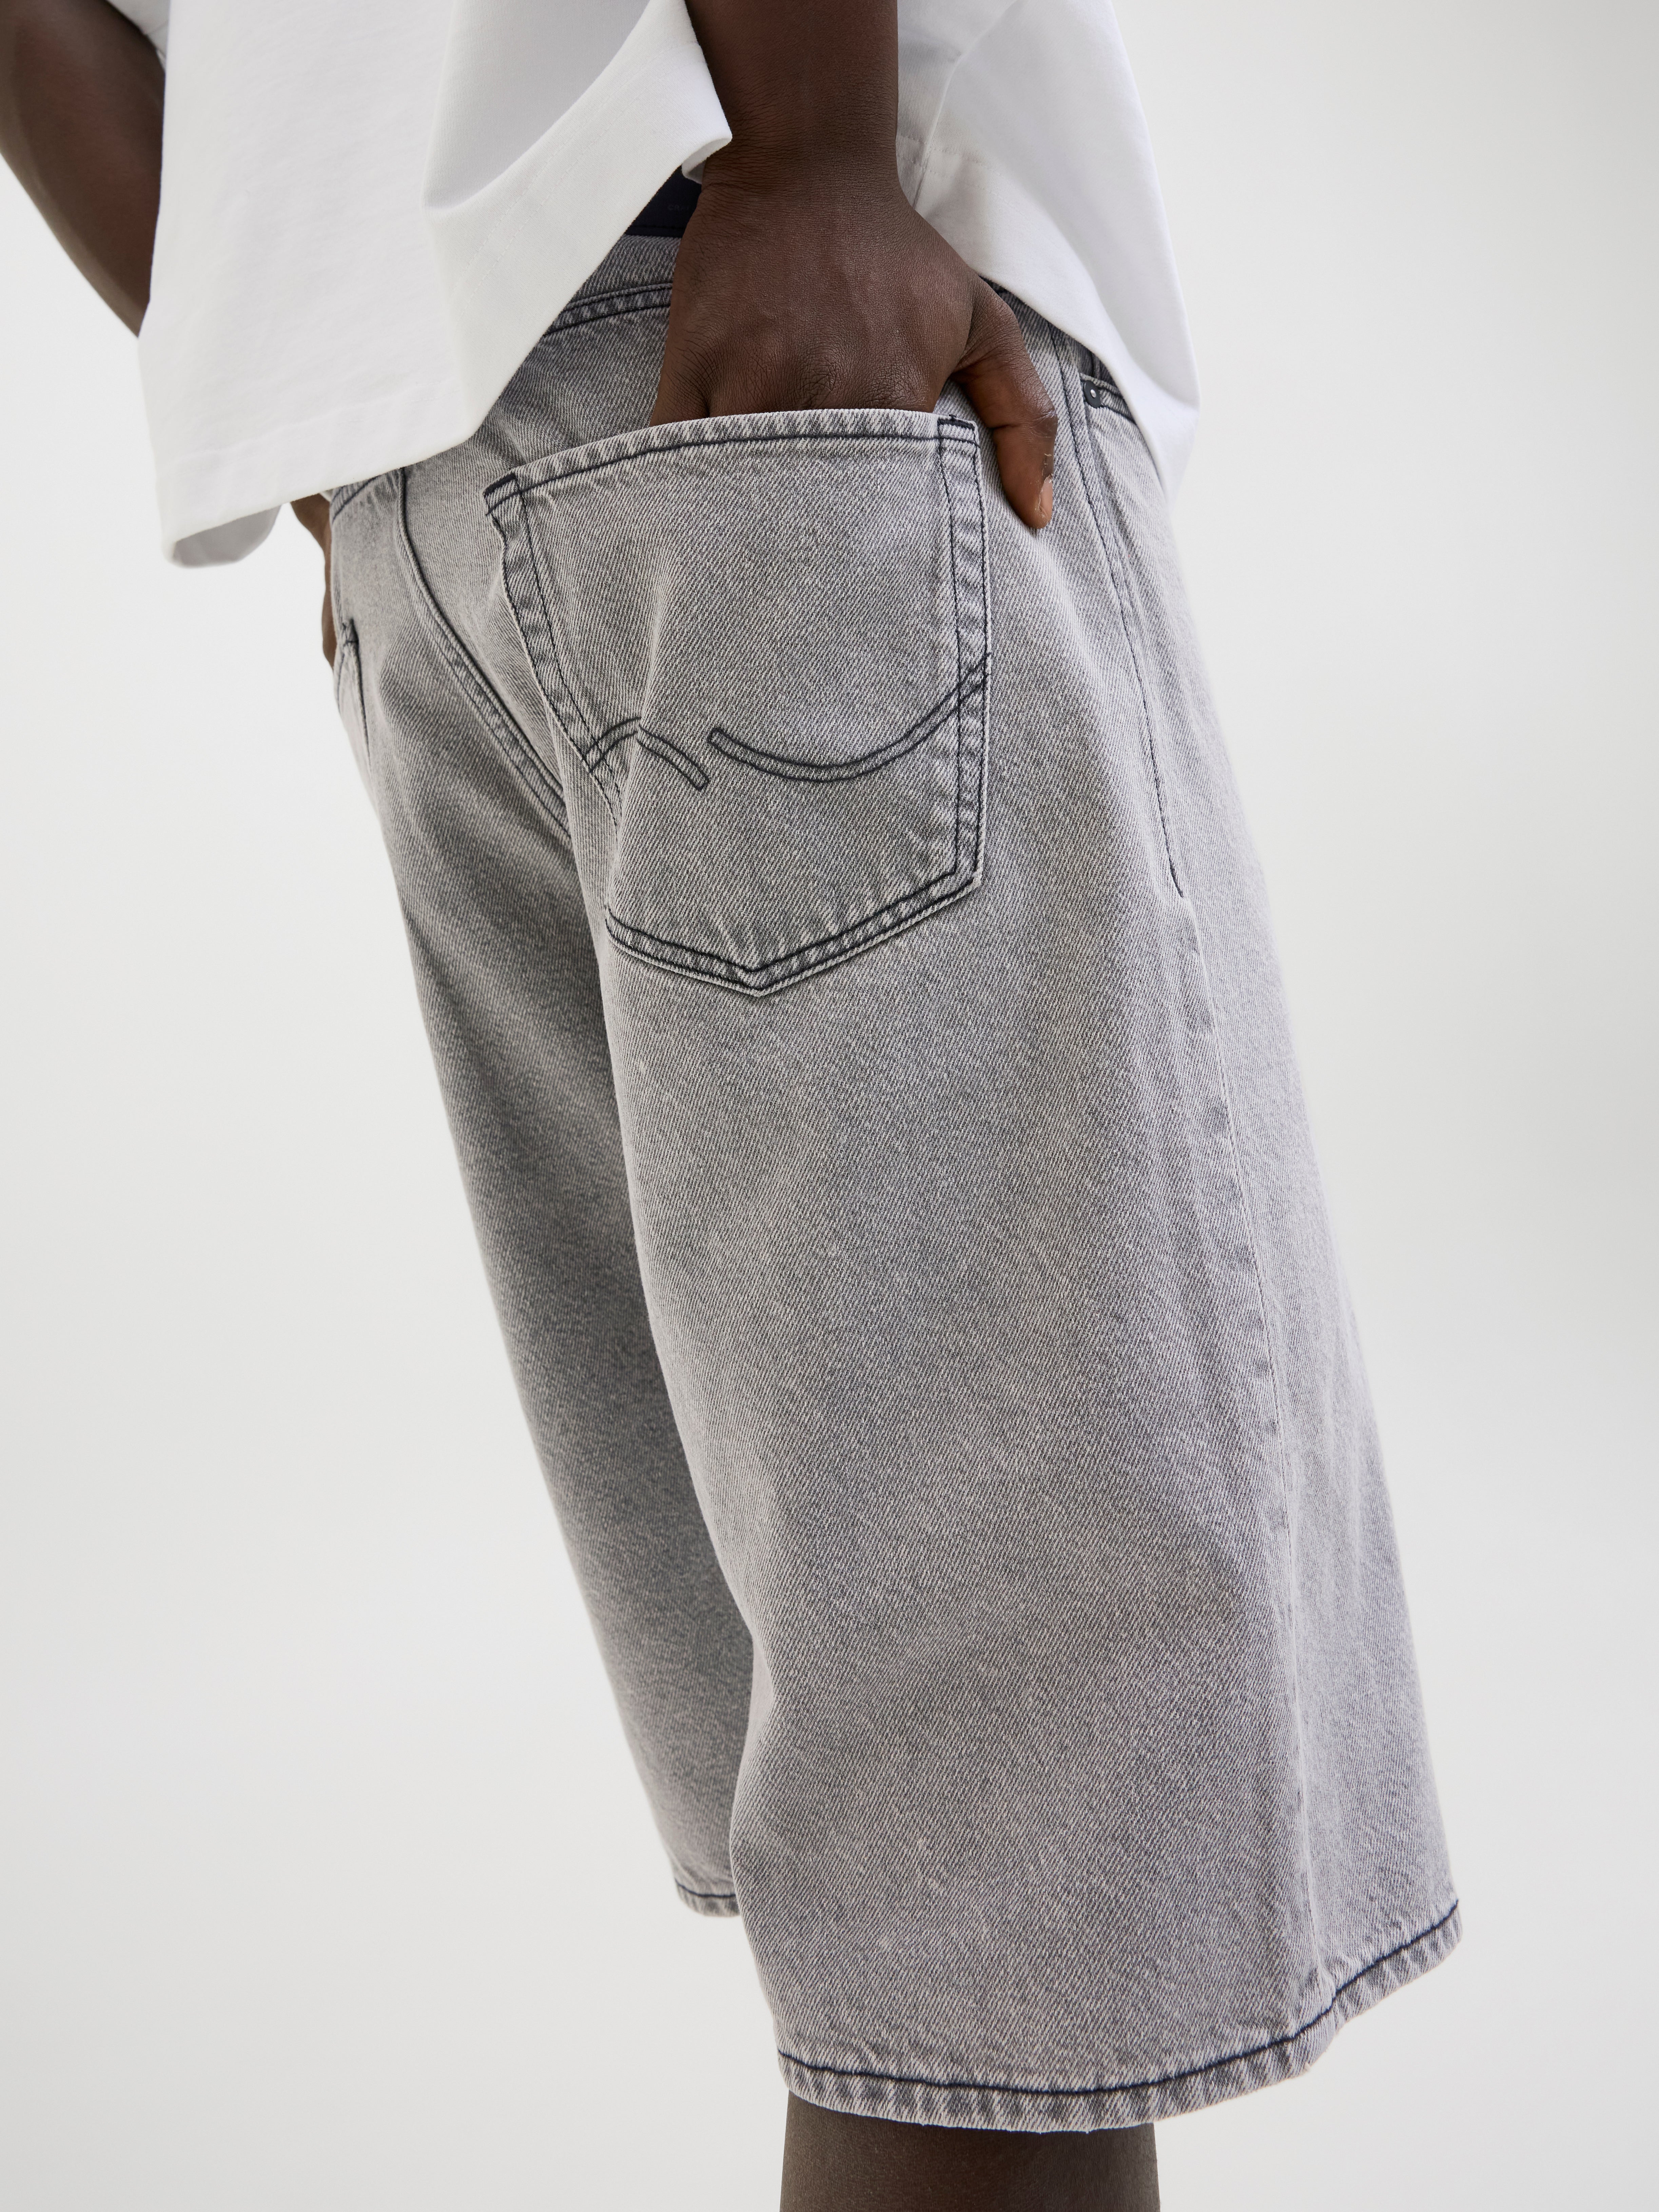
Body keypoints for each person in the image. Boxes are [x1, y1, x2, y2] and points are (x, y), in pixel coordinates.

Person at [0, 3, 1460, 2205]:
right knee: (1007, 1869)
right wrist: (817, 158)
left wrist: (316, 411)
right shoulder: (790, 193)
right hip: (753, 321)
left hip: (435, 513)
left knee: (924, 1814)